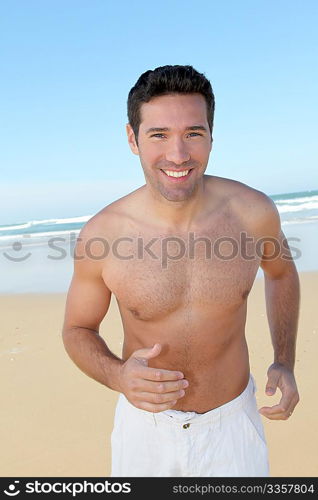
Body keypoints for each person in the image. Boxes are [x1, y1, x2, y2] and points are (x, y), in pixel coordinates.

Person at [62, 65, 300, 477]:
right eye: (159, 135)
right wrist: (118, 376)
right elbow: (77, 329)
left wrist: (284, 360)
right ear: (133, 139)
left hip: (233, 426)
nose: (178, 155)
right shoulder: (102, 235)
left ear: (211, 136)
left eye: (193, 133)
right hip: (146, 431)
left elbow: (281, 273)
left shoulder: (252, 213)